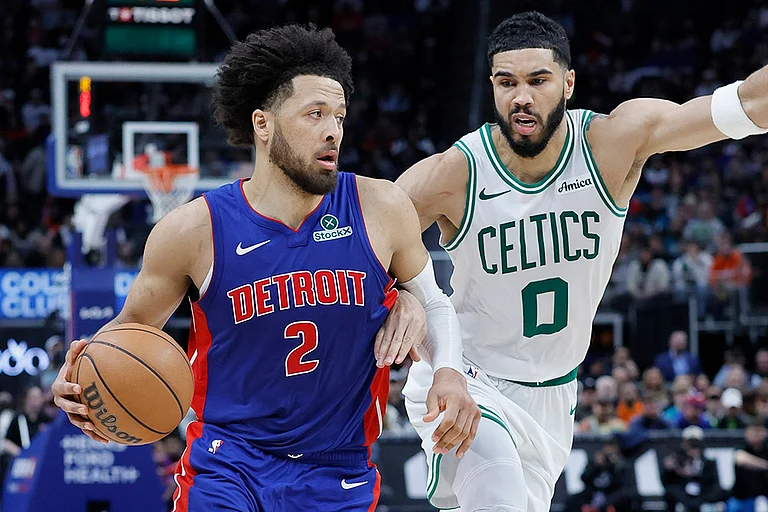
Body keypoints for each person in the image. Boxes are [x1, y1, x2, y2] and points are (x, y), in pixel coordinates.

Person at [51, 25, 479, 512]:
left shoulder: (380, 206)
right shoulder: (192, 230)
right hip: (227, 464)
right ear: (263, 123)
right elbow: (128, 332)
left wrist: (447, 372)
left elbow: (435, 303)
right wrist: (79, 377)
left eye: (339, 115)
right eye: (314, 114)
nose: (333, 129)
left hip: (338, 468)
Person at [389, 10, 768, 511]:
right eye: (506, 82)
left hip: (555, 394)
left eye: (537, 80)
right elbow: (365, 243)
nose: (520, 97)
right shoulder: (454, 172)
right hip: (466, 375)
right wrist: (406, 299)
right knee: (497, 491)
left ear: (568, 82)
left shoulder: (613, 144)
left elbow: (745, 103)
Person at [663, 426, 725, 512]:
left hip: (703, 497)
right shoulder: (677, 460)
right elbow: (668, 485)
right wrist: (672, 470)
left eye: (696, 442)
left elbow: (715, 485)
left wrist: (696, 470)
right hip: (684, 498)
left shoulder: (708, 462)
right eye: (690, 442)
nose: (693, 446)